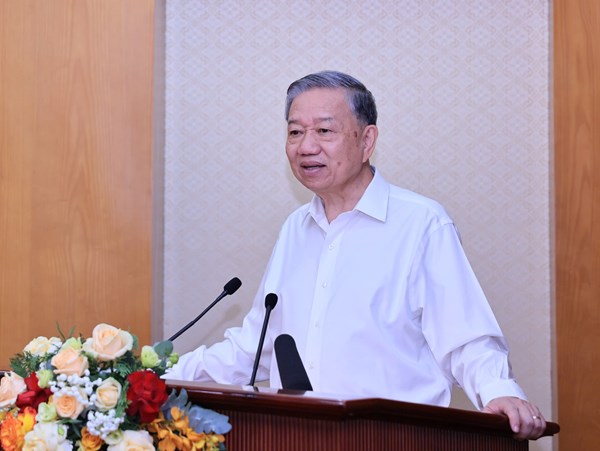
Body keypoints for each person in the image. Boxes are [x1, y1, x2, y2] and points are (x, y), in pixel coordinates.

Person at [167, 70, 547, 440]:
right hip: (299, 436)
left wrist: (499, 390)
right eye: (295, 132)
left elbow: (465, 337)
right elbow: (258, 346)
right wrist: (159, 376)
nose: (306, 146)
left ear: (367, 141)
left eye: (324, 131)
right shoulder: (295, 229)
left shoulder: (422, 223)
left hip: (397, 438)